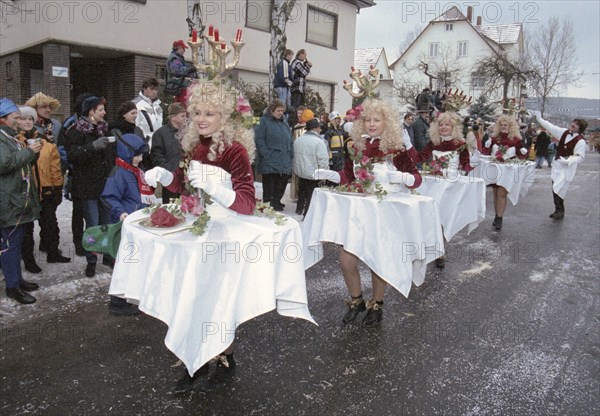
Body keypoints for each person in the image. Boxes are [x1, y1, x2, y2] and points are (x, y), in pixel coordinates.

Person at [143, 80, 257, 393]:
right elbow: (180, 184)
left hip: (225, 232)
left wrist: (218, 189)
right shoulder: (193, 146)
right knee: (189, 294)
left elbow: (247, 202)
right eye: (197, 113)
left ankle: (225, 356)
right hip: (196, 229)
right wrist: (164, 176)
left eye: (210, 113)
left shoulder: (234, 151)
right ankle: (193, 358)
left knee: (220, 299)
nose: (202, 119)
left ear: (225, 117)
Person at [313, 99, 422, 326]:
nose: (371, 124)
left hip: (384, 214)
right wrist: (332, 176)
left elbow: (417, 179)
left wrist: (403, 177)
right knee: (346, 260)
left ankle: (377, 305)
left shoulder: (396, 149)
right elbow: (348, 176)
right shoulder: (356, 146)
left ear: (387, 122)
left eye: (377, 120)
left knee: (377, 260)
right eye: (367, 120)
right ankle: (357, 300)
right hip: (359, 212)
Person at [101, 133, 154, 316]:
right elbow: (109, 196)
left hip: (138, 224)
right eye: (137, 155)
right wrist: (120, 212)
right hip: (125, 224)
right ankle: (118, 302)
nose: (140, 159)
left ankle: (133, 295)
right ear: (126, 153)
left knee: (135, 262)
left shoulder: (134, 170)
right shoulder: (119, 173)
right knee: (124, 264)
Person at [65, 96, 115, 277]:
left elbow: (110, 157)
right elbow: (72, 156)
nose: (104, 113)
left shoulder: (104, 129)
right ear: (91, 112)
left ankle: (108, 256)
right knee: (93, 225)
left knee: (107, 224)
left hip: (105, 185)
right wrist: (92, 147)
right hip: (86, 187)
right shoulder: (76, 131)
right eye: (100, 109)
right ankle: (91, 261)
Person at [0, 98, 42, 304]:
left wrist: (33, 153)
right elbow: (5, 164)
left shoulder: (12, 138)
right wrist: (28, 152)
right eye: (15, 117)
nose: (19, 121)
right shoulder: (1, 139)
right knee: (10, 245)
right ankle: (12, 287)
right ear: (3, 119)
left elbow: (21, 164)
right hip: (9, 202)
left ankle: (17, 279)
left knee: (17, 242)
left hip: (19, 200)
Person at [22, 94, 70, 264]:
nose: (48, 110)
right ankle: (29, 258)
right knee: (29, 224)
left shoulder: (56, 125)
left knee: (50, 219)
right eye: (43, 107)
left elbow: (60, 150)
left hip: (50, 177)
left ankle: (49, 248)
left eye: (49, 107)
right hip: (31, 183)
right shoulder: (23, 133)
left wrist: (59, 176)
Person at [530, 111, 587, 220]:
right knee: (555, 187)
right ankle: (558, 209)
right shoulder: (564, 132)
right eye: (574, 122)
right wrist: (540, 119)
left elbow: (580, 157)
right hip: (557, 166)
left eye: (577, 124)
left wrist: (568, 160)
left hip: (567, 167)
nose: (573, 124)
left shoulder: (580, 141)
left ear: (580, 129)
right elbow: (551, 127)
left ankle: (560, 210)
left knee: (561, 187)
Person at [57, 93, 92, 257]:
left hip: (92, 175)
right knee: (78, 211)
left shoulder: (96, 124)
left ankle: (90, 241)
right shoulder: (71, 123)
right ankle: (78, 244)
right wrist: (72, 165)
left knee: (90, 212)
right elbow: (63, 148)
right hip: (77, 173)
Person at [481, 114, 528, 230]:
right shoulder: (494, 137)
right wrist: (486, 146)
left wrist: (522, 152)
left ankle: (500, 218)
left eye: (505, 125)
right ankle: (496, 216)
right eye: (501, 125)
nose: (503, 127)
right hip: (495, 169)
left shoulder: (516, 139)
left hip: (507, 170)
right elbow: (486, 153)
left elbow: (521, 156)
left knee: (502, 194)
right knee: (496, 193)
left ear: (510, 126)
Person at [15, 106, 44, 273]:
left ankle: (29, 259)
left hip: (32, 186)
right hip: (17, 188)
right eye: (23, 118)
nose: (27, 122)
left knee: (28, 227)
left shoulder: (39, 137)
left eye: (30, 119)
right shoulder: (13, 139)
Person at [406, 111, 477, 174]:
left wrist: (472, 164)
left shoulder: (460, 144)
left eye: (447, 124)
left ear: (453, 127)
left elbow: (465, 167)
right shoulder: (434, 143)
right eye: (440, 125)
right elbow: (418, 159)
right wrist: (408, 144)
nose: (443, 127)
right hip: (436, 181)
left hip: (452, 183)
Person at [254, 99, 293, 211]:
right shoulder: (263, 121)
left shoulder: (284, 123)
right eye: (278, 110)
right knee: (270, 184)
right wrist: (266, 154)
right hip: (270, 158)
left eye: (282, 110)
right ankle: (268, 204)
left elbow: (289, 139)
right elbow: (259, 139)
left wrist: (290, 153)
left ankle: (276, 201)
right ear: (271, 110)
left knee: (282, 182)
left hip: (284, 158)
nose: (280, 113)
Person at [150, 102, 187, 203]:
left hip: (187, 178)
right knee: (172, 208)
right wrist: (167, 172)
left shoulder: (188, 132)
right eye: (182, 116)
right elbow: (157, 156)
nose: (185, 118)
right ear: (173, 117)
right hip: (170, 178)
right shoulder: (160, 134)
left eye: (185, 115)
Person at [293, 118, 329, 217]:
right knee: (311, 195)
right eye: (319, 128)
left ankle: (299, 209)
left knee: (302, 191)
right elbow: (323, 160)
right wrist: (324, 174)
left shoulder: (298, 140)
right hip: (314, 174)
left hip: (300, 172)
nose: (320, 130)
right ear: (314, 128)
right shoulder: (319, 142)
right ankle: (307, 214)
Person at [133, 77, 163, 148]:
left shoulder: (158, 106)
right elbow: (134, 127)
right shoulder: (137, 104)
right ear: (144, 88)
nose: (154, 92)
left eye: (156, 89)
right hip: (143, 145)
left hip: (158, 145)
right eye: (151, 89)